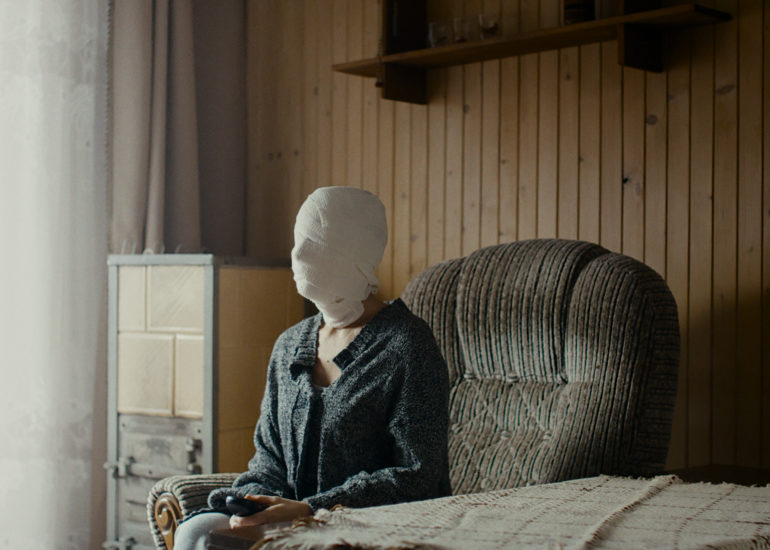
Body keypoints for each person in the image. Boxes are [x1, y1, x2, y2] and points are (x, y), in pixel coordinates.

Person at [174, 186, 451, 550]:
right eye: (298, 242)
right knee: (196, 533)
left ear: (357, 252)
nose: (298, 256)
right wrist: (257, 502)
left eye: (316, 244)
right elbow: (268, 458)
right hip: (289, 521)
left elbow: (418, 475)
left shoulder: (408, 346)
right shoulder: (289, 344)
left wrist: (311, 508)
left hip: (371, 526)